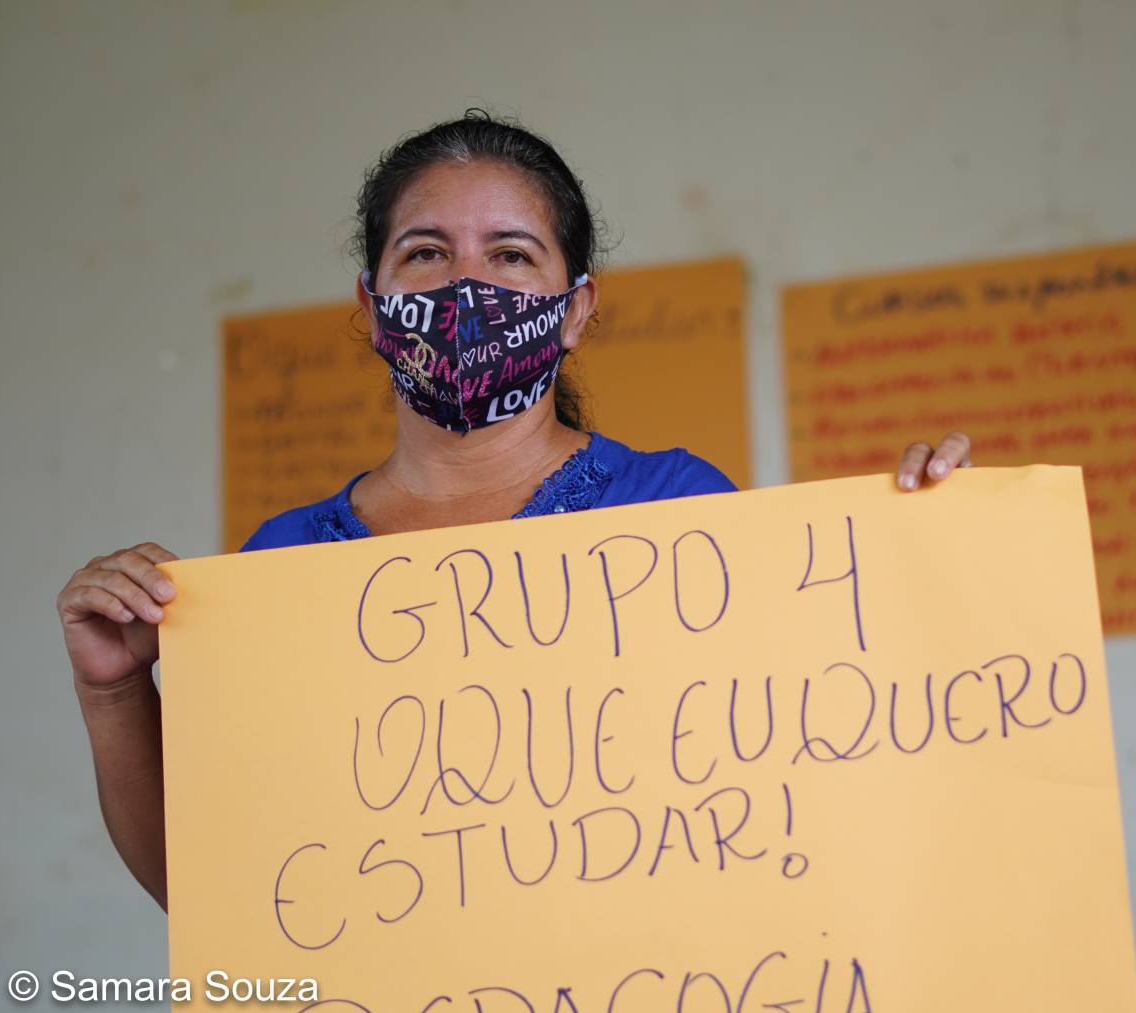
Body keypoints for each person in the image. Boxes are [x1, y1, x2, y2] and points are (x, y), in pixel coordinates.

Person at [55, 111, 973, 912]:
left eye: (510, 255)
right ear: (373, 307)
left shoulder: (678, 508)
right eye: (425, 253)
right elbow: (216, 892)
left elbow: (810, 774)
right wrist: (112, 691)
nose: (466, 289)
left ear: (575, 310)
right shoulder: (280, 562)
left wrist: (932, 549)